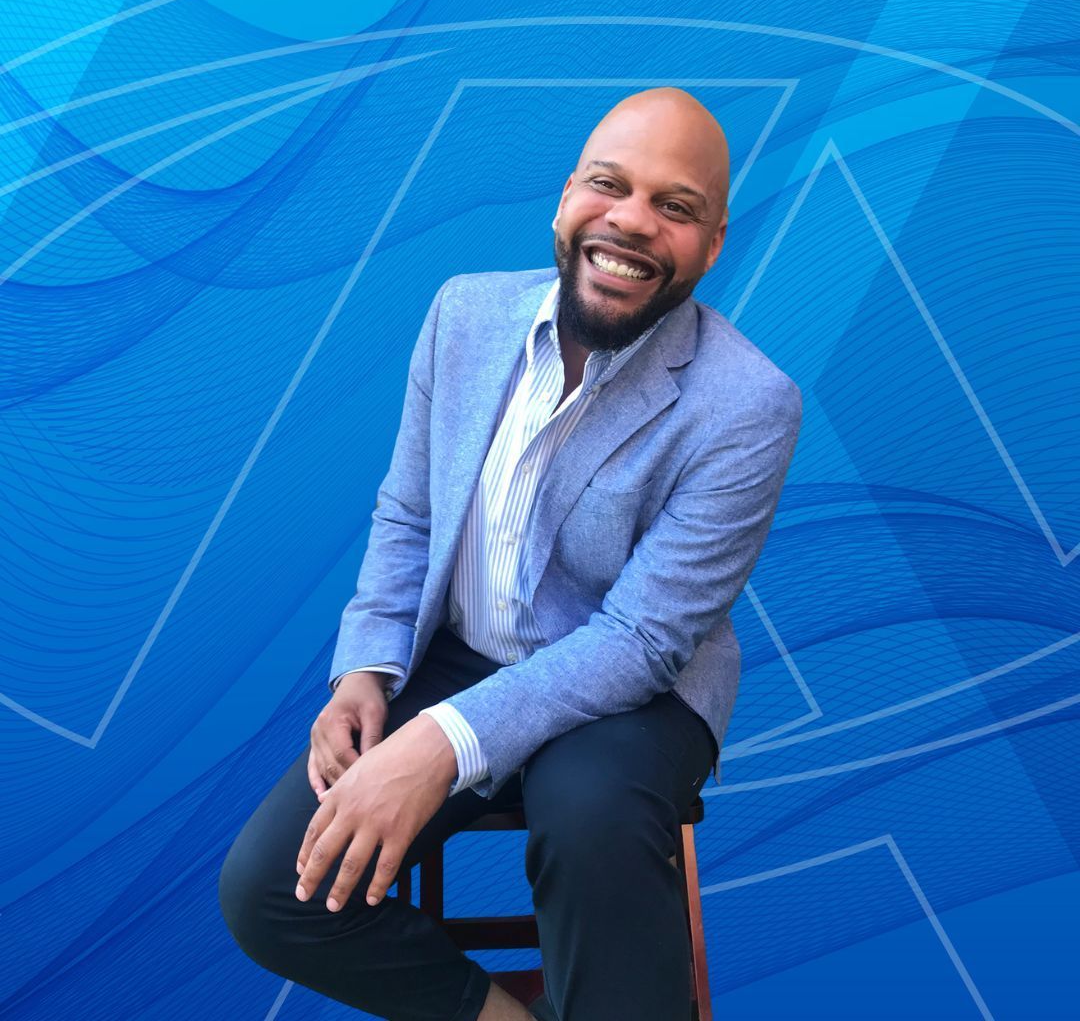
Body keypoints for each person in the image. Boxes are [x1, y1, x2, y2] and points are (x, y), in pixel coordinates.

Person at [219, 87, 802, 1021]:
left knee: (590, 818)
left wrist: (438, 748)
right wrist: (364, 673)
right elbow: (408, 513)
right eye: (609, 185)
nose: (632, 223)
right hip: (452, 659)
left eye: (675, 206)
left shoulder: (749, 405)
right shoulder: (462, 317)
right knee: (271, 891)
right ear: (566, 194)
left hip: (631, 690)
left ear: (714, 241)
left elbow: (643, 639)